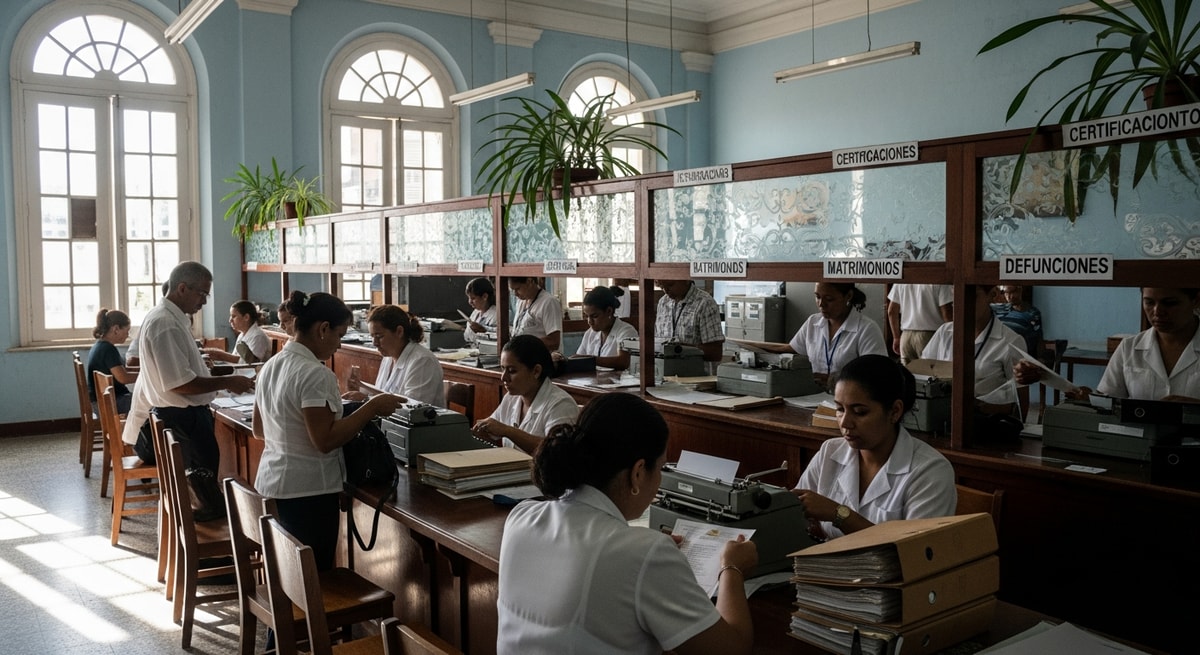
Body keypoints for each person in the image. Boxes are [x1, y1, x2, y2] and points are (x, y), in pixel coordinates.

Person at [498, 393, 758, 655]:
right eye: (660, 469)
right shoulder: (643, 552)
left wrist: (644, 553)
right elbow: (731, 649)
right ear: (637, 472)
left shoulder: (521, 516)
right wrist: (732, 569)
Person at [253, 291, 404, 571]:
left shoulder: (271, 365)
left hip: (274, 483)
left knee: (291, 577)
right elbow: (324, 440)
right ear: (323, 329)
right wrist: (370, 408)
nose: (338, 344)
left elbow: (259, 429)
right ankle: (314, 617)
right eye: (339, 335)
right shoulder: (314, 373)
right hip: (308, 494)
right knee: (314, 577)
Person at [129, 261, 255, 521]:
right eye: (202, 294)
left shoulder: (172, 319)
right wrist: (228, 381)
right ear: (183, 288)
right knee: (207, 502)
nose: (205, 302)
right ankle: (209, 552)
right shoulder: (165, 324)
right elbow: (180, 383)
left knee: (205, 492)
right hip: (182, 420)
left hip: (184, 416)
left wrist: (213, 373)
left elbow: (182, 371)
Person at [793, 354, 956, 541]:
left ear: (895, 411)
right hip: (830, 566)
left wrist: (839, 514)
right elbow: (795, 514)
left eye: (860, 412)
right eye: (839, 409)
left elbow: (916, 554)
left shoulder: (930, 471)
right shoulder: (829, 453)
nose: (845, 423)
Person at [1016, 288, 1200, 401]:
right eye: (1149, 302)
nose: (1157, 312)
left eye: (1170, 303)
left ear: (1195, 300)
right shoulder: (1129, 347)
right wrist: (1088, 397)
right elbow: (1109, 400)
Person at [744, 283, 886, 389]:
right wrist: (750, 347)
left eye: (829, 299)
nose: (821, 304)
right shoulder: (813, 322)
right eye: (817, 297)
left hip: (848, 401)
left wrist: (834, 380)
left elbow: (876, 375)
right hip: (811, 395)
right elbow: (791, 349)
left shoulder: (866, 329)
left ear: (848, 296)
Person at [922, 285, 1025, 412]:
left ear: (992, 295)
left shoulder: (1011, 341)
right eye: (956, 297)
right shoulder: (944, 333)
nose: (963, 303)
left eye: (973, 296)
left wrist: (979, 407)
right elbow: (923, 375)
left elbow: (1020, 405)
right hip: (942, 418)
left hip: (986, 423)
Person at [471, 335, 577, 453]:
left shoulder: (561, 404)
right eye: (502, 369)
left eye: (512, 371)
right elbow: (491, 432)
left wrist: (508, 431)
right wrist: (478, 432)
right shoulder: (511, 398)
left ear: (536, 371)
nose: (503, 377)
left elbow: (554, 451)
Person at [344, 304, 445, 407]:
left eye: (379, 336)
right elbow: (384, 393)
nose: (375, 343)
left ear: (399, 332)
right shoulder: (388, 357)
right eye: (372, 336)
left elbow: (413, 408)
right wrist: (360, 386)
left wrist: (367, 399)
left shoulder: (422, 360)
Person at [556, 285, 638, 370]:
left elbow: (623, 362)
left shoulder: (626, 332)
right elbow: (579, 359)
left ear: (609, 311)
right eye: (586, 316)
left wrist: (590, 360)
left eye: (594, 316)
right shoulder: (589, 334)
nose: (589, 321)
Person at [655, 279, 725, 362]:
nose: (666, 291)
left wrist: (682, 349)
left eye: (670, 285)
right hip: (664, 370)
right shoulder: (663, 302)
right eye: (661, 287)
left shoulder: (705, 303)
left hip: (695, 372)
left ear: (686, 280)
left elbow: (715, 353)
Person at [86, 308, 138, 414]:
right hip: (110, 403)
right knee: (152, 402)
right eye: (127, 331)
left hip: (102, 401)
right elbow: (123, 378)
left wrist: (144, 370)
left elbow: (122, 370)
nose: (127, 335)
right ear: (116, 329)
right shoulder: (108, 349)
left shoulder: (99, 346)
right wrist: (147, 376)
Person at [887, 284, 953, 364]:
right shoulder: (939, 281)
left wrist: (896, 337)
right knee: (929, 374)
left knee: (907, 374)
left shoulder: (901, 282)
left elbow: (891, 311)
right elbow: (946, 313)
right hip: (930, 337)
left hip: (906, 338)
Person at [203, 300, 270, 364]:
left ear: (246, 317)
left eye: (234, 316)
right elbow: (235, 359)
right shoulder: (241, 335)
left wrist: (220, 355)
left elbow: (251, 364)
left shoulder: (258, 336)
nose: (230, 320)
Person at [509, 277, 563, 352]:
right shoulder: (521, 302)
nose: (515, 294)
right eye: (512, 290)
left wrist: (525, 343)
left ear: (530, 281)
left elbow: (554, 342)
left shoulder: (549, 302)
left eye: (518, 289)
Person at [992, 285, 1043, 354]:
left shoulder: (1032, 312)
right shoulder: (998, 308)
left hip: (1020, 352)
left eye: (1012, 292)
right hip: (998, 350)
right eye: (1006, 293)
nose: (1009, 297)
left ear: (1019, 290)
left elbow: (1038, 338)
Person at [463, 277, 498, 344]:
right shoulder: (476, 313)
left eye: (473, 298)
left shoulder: (496, 314)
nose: (470, 302)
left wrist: (484, 330)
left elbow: (497, 338)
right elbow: (466, 336)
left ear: (485, 296)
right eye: (469, 298)